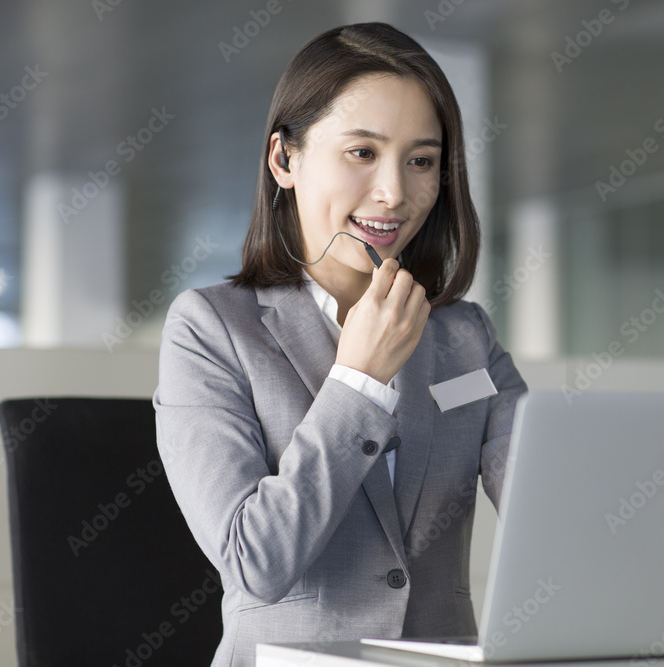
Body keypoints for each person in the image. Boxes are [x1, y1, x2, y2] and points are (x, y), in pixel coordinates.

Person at [153, 22, 527, 667]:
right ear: (284, 160)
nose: (394, 193)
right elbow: (255, 563)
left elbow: (547, 496)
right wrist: (359, 378)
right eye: (362, 152)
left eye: (421, 160)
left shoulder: (465, 342)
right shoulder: (211, 331)